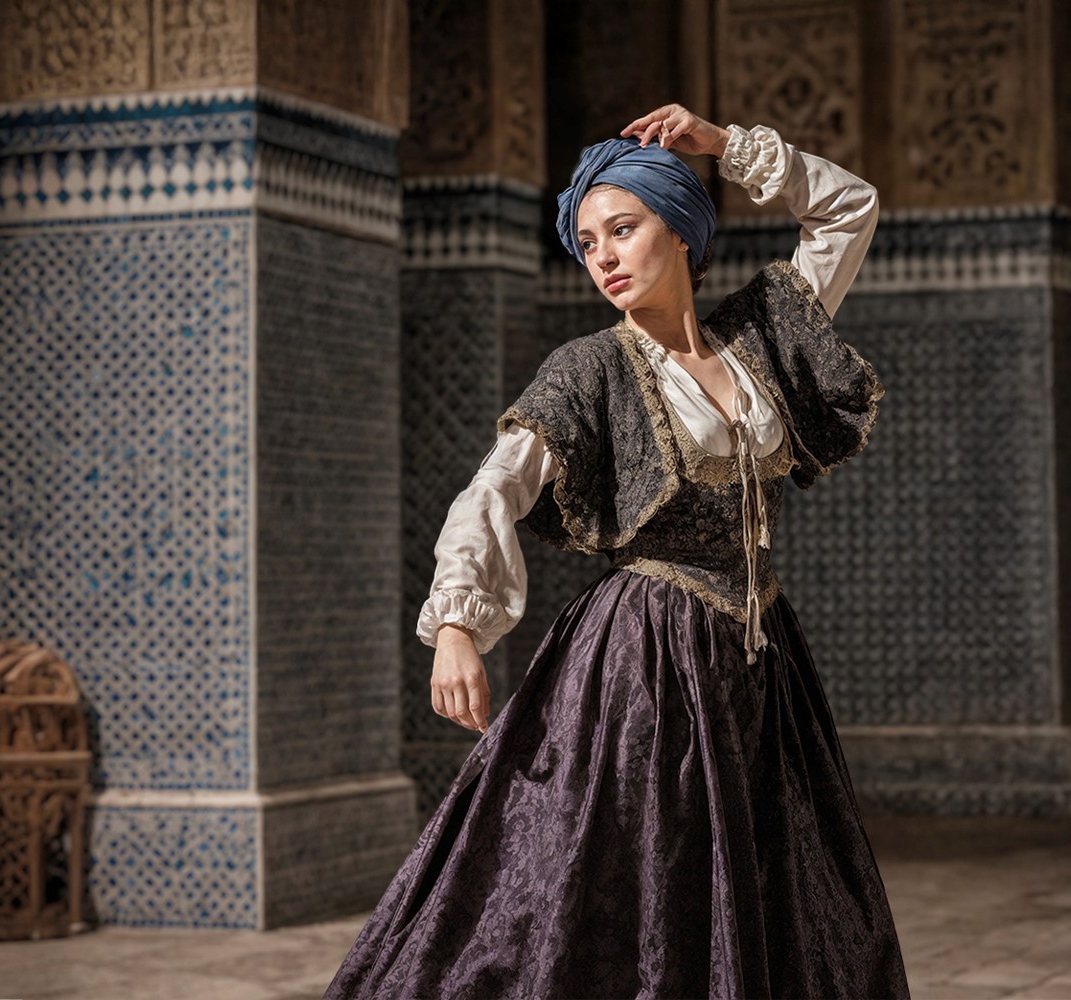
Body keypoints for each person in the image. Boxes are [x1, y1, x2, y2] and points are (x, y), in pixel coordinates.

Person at [325, 104, 909, 999]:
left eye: (623, 229)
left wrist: (722, 146)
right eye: (587, 240)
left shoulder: (759, 340)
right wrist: (454, 624)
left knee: (781, 884)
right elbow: (498, 484)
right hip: (645, 662)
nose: (602, 256)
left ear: (679, 230)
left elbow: (847, 209)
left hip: (760, 662)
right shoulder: (589, 368)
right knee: (629, 878)